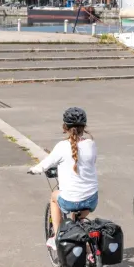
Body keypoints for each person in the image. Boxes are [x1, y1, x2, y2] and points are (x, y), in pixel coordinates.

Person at [29, 107, 98, 249]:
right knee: (78, 220)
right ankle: (89, 253)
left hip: (70, 200)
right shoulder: (91, 144)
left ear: (64, 127)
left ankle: (56, 236)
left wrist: (34, 170)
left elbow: (45, 164)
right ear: (84, 127)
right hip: (92, 199)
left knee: (54, 197)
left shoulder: (61, 146)